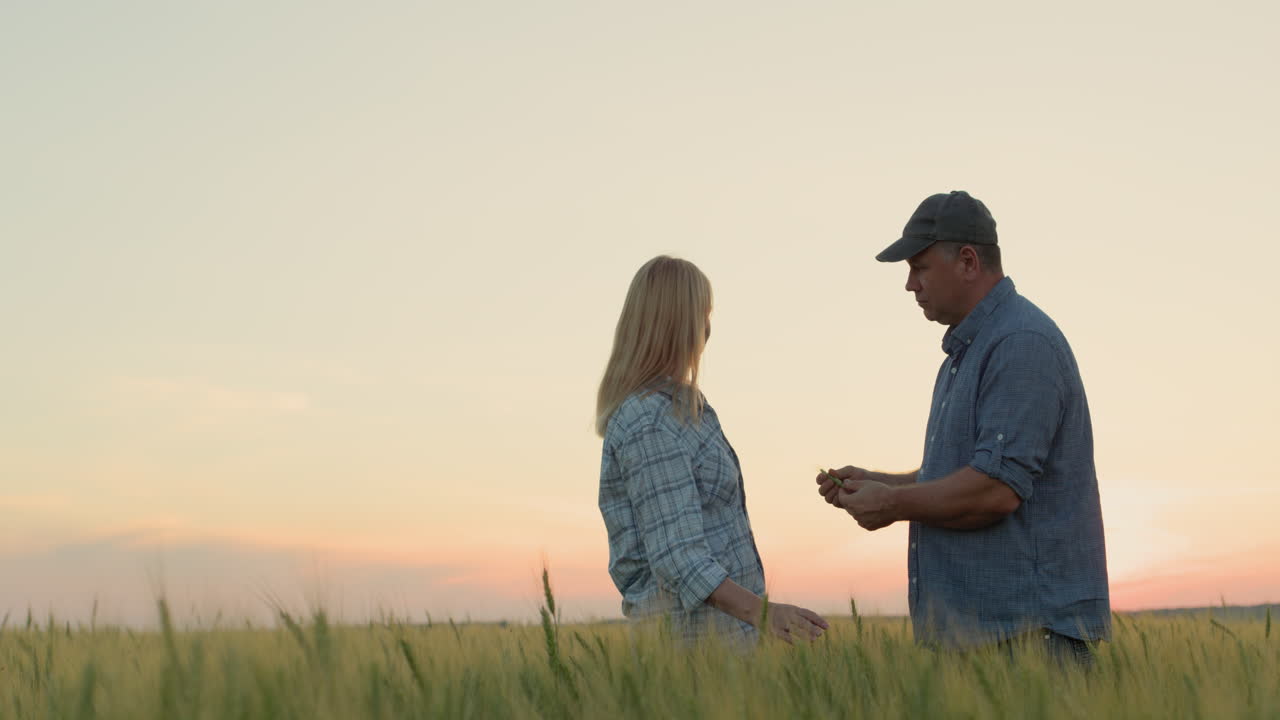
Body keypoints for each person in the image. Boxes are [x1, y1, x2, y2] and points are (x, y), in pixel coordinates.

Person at [816, 191, 1110, 667]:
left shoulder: (1020, 344)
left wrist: (891, 504)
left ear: (968, 261)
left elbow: (995, 490)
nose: (910, 284)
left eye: (920, 267)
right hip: (987, 639)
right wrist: (880, 482)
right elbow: (968, 472)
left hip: (1027, 642)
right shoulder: (969, 353)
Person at [598, 255, 828, 646]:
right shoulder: (651, 422)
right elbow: (678, 558)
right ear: (679, 322)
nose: (708, 328)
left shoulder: (682, 409)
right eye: (703, 314)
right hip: (689, 651)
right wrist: (768, 615)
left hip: (722, 647)